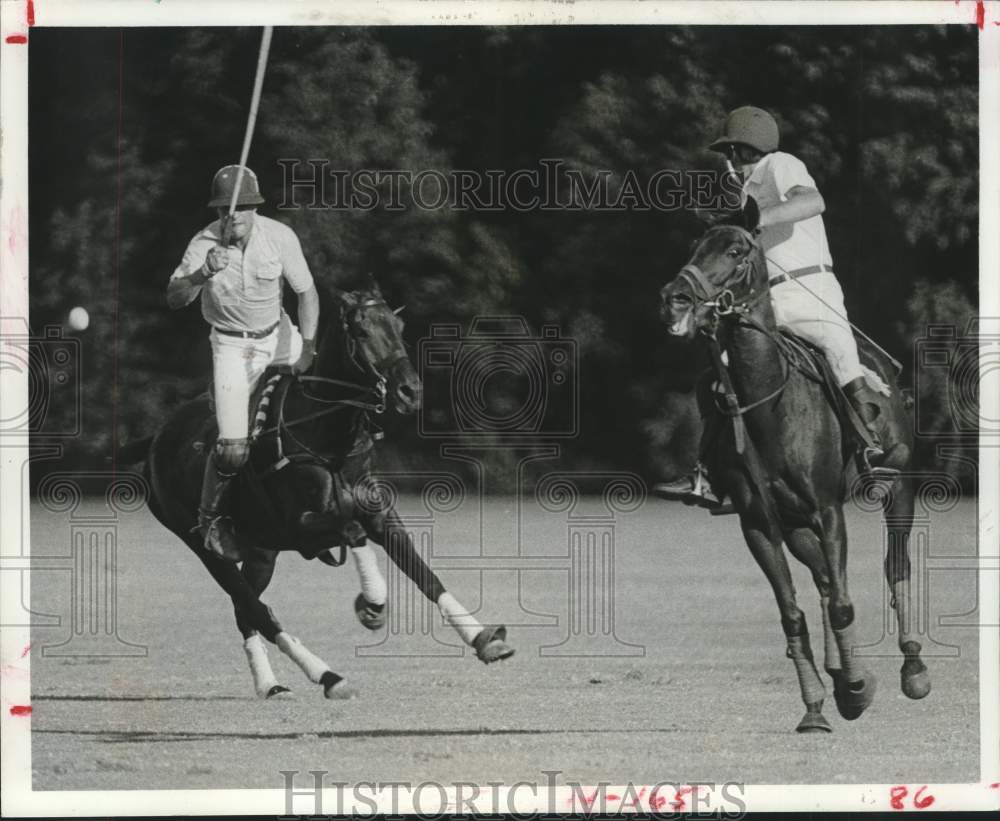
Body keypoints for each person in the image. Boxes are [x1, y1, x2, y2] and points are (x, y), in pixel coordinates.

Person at [655, 106, 902, 507]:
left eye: (730, 153)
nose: (728, 162)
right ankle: (708, 474)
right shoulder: (744, 191)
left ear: (740, 149)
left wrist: (755, 220)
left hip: (811, 288)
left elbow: (813, 202)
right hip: (767, 301)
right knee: (720, 371)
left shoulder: (779, 164)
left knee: (841, 353)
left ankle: (871, 451)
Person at [167, 165, 320, 559]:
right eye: (224, 209)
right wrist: (203, 273)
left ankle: (322, 505)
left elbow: (306, 294)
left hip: (279, 337)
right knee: (233, 450)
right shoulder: (203, 244)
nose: (232, 216)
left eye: (242, 208)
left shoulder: (279, 237)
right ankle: (211, 519)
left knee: (319, 408)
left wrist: (308, 347)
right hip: (232, 348)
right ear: (217, 211)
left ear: (255, 208)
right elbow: (174, 297)